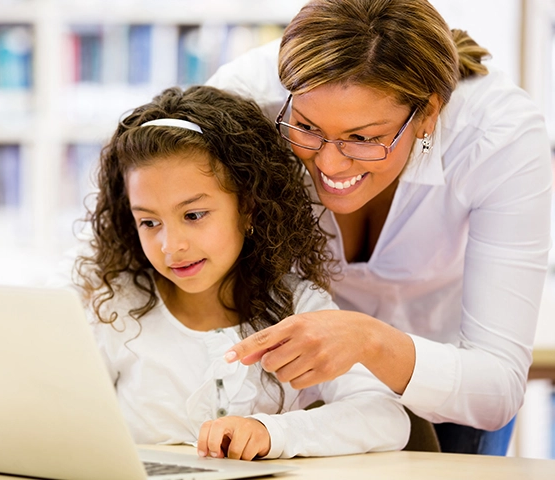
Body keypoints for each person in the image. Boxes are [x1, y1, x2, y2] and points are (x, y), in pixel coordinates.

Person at [206, 0, 552, 455]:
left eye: (364, 138)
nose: (328, 163)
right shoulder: (247, 103)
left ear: (427, 113)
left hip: (448, 384)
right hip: (300, 392)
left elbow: (497, 390)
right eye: (308, 128)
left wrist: (367, 339)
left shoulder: (498, 136)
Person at [68, 85, 410, 460]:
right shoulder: (111, 307)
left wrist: (271, 432)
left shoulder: (298, 307)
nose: (171, 245)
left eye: (194, 215)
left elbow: (385, 417)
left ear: (247, 206)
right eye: (149, 222)